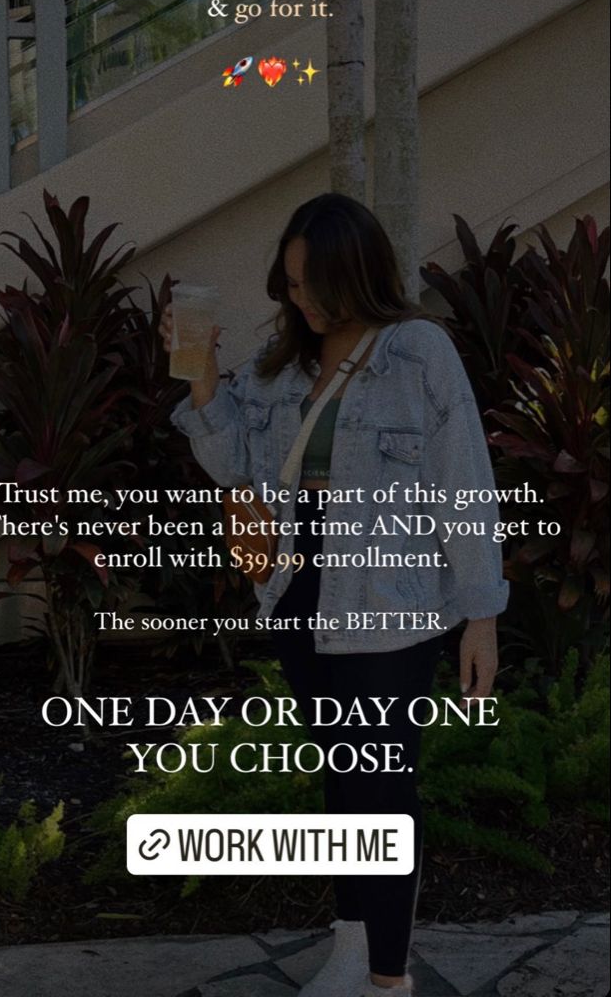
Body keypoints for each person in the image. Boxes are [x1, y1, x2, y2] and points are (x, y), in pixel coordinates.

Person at [162, 193, 508, 996]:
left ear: (358, 274)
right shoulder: (280, 361)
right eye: (289, 285)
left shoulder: (418, 352)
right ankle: (352, 948)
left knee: (382, 784)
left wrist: (480, 615)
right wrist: (205, 377)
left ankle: (389, 978)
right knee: (345, 777)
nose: (301, 300)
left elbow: (464, 481)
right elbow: (232, 467)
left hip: (386, 593)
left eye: (313, 284)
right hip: (295, 586)